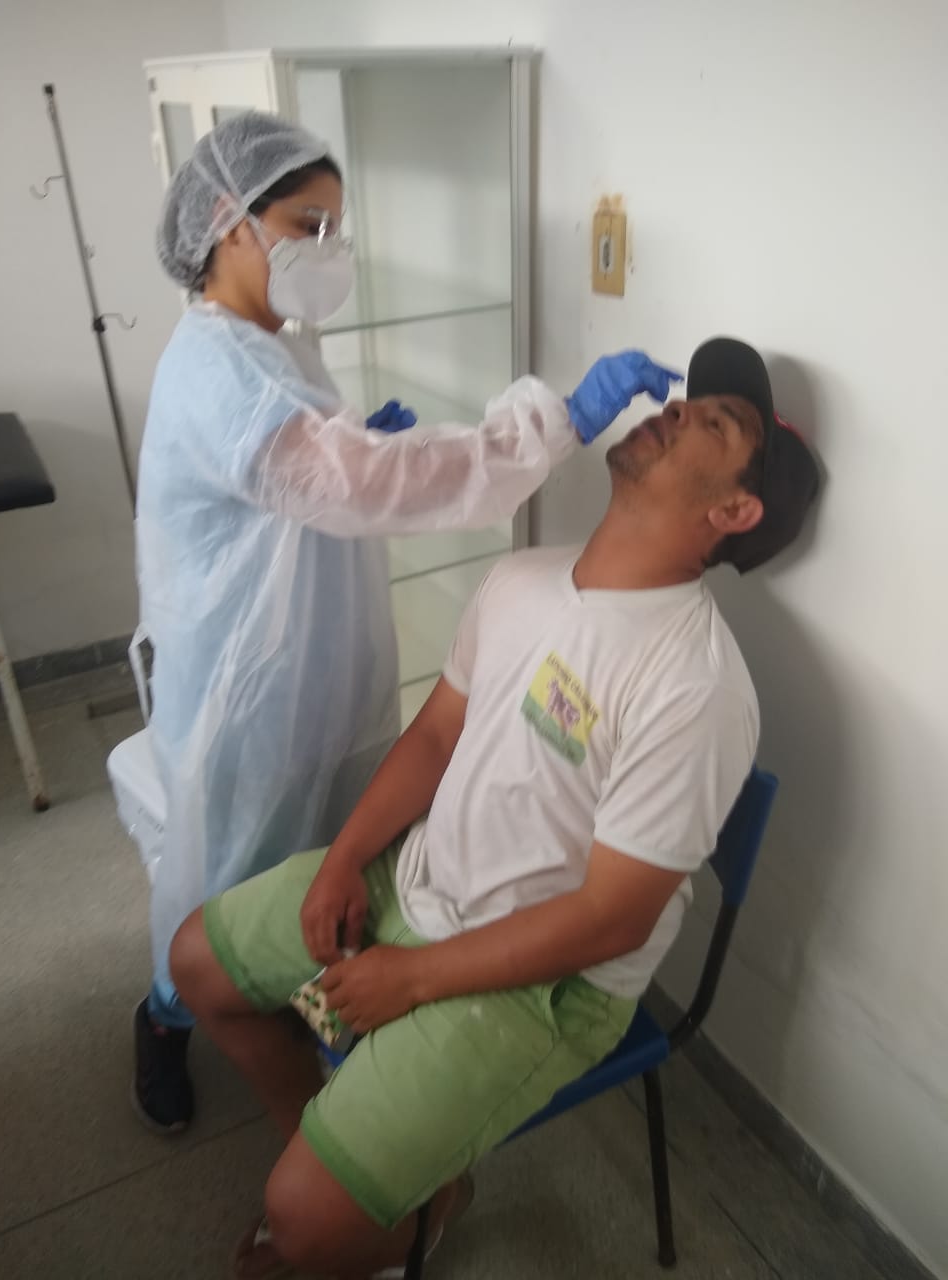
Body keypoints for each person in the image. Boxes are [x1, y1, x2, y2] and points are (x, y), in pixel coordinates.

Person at [170, 336, 819, 1278]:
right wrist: (347, 857)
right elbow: (437, 738)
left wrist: (414, 979)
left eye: (712, 424)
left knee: (302, 1221)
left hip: (548, 978)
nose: (674, 409)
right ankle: (355, 1171)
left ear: (733, 511)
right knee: (198, 963)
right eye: (687, 403)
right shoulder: (524, 578)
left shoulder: (696, 686)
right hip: (421, 874)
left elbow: (612, 919)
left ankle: (400, 1209)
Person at [133, 108, 680, 1134]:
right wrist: (555, 422)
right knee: (230, 874)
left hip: (315, 654)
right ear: (226, 221)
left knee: (315, 856)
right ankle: (169, 1011)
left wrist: (352, 441)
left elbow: (329, 471)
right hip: (247, 686)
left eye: (337, 228)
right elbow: (358, 484)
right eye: (307, 225)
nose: (327, 250)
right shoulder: (216, 367)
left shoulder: (273, 341)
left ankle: (287, 996)